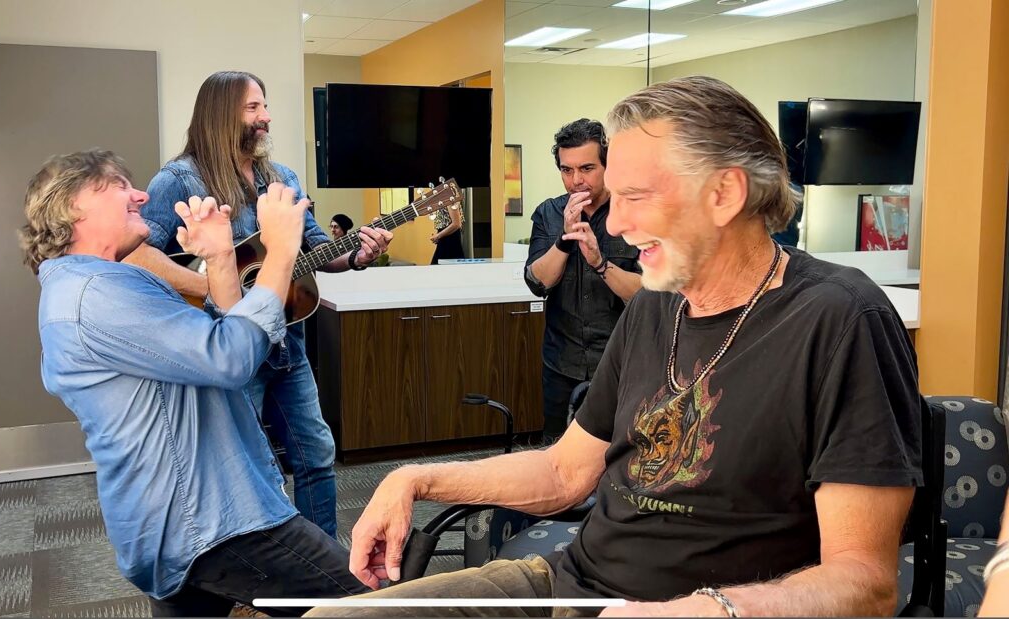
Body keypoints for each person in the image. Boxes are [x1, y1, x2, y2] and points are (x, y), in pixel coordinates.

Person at [316, 76, 924, 618]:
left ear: (725, 194)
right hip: (573, 585)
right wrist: (417, 479)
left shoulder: (842, 318)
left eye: (636, 197)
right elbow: (563, 471)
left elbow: (866, 584)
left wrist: (710, 610)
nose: (613, 223)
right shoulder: (658, 303)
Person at [21, 150, 368, 616]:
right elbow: (230, 358)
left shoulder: (106, 283)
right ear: (71, 207)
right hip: (212, 523)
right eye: (118, 184)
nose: (140, 194)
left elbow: (218, 342)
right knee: (369, 608)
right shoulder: (94, 296)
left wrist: (223, 258)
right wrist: (282, 252)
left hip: (182, 520)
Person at [124, 71, 393, 538]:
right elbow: (135, 251)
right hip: (221, 349)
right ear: (220, 113)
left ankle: (323, 564)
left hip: (286, 344)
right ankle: (261, 576)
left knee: (316, 454)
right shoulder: (178, 179)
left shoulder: (281, 178)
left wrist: (356, 254)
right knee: (247, 467)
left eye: (265, 107)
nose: (266, 118)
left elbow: (312, 247)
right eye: (253, 108)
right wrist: (212, 284)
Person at [524, 118, 642, 443]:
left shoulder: (633, 212)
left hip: (619, 363)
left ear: (608, 165)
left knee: (617, 459)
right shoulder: (548, 213)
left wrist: (599, 262)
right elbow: (537, 283)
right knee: (556, 458)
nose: (576, 181)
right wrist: (564, 239)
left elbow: (648, 297)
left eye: (587, 168)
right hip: (562, 362)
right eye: (567, 170)